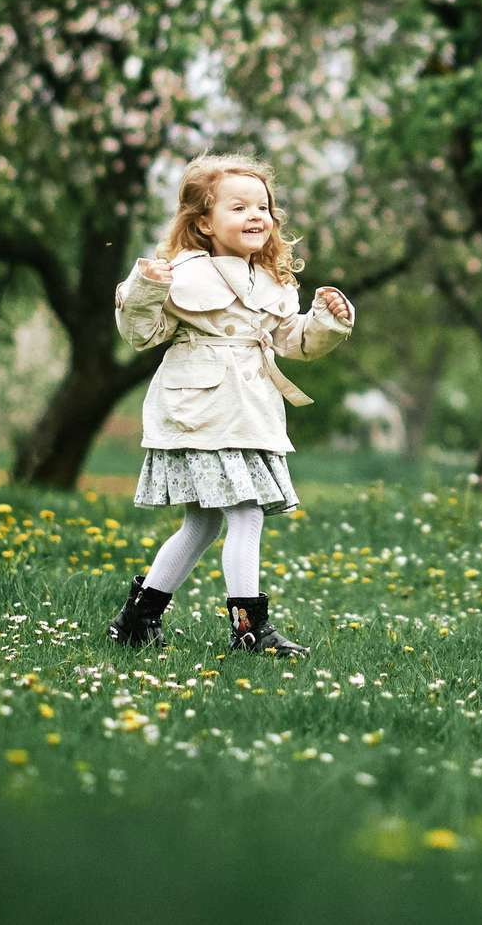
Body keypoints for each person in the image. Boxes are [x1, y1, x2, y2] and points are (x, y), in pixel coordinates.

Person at [105, 153, 354, 658]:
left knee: (202, 523)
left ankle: (137, 620)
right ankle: (248, 630)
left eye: (263, 206)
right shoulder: (181, 275)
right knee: (244, 515)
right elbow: (141, 334)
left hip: (251, 413)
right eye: (239, 207)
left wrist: (326, 321)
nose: (256, 216)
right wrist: (144, 288)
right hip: (201, 413)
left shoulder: (272, 282)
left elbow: (293, 341)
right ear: (203, 221)